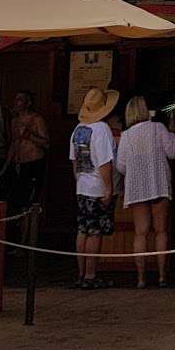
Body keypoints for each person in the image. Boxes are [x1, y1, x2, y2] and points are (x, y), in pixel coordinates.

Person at [116, 96, 175, 288]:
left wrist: (136, 170)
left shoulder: (126, 135)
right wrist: (173, 133)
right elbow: (173, 153)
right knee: (160, 231)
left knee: (140, 233)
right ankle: (161, 276)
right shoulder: (158, 129)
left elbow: (121, 166)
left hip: (137, 188)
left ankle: (141, 278)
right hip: (158, 183)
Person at [70, 85, 118, 289]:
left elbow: (74, 160)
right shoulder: (102, 129)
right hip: (97, 186)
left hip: (82, 184)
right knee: (95, 231)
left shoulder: (78, 129)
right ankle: (91, 274)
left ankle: (81, 272)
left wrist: (79, 180)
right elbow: (105, 162)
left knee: (83, 230)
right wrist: (108, 188)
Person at [5, 89, 49, 213]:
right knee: (16, 199)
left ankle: (30, 228)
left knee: (31, 199)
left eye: (19, 100)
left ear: (28, 102)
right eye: (15, 99)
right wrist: (6, 166)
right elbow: (13, 144)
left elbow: (46, 143)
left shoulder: (37, 119)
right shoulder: (14, 121)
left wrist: (29, 135)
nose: (16, 102)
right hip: (18, 163)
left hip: (33, 163)